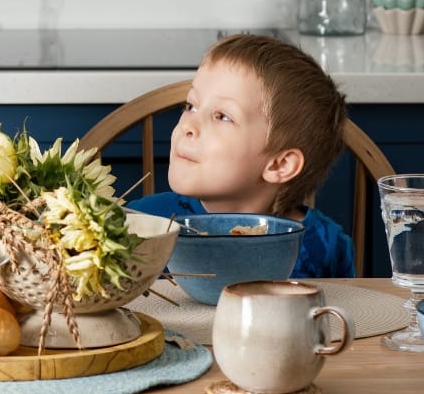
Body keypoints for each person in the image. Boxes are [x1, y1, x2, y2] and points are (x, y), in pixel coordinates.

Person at [126, 34, 355, 277]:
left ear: (280, 164)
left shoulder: (326, 247)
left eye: (223, 116)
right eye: (191, 106)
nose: (187, 125)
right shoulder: (138, 224)